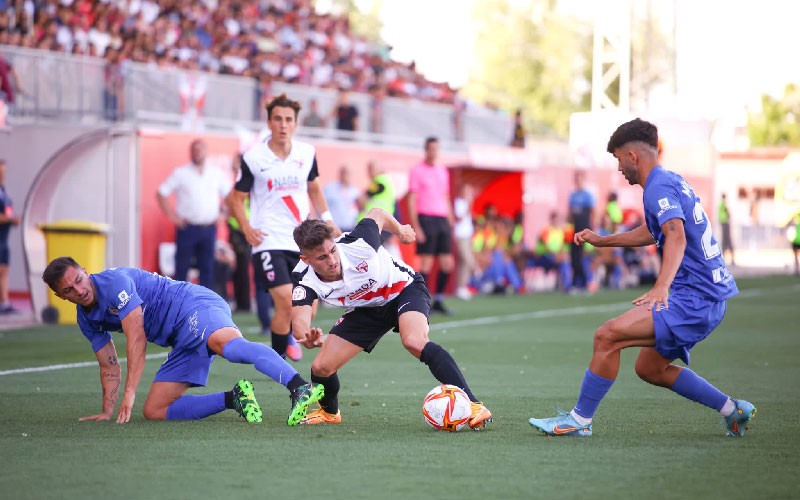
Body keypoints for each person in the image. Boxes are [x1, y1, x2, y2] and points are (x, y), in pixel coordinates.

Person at [528, 118, 755, 438]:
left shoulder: (658, 187)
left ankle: (578, 422)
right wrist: (602, 240)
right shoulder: (669, 180)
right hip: (706, 296)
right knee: (649, 368)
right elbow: (654, 231)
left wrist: (661, 286)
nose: (619, 168)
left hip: (695, 298)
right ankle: (734, 410)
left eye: (619, 159)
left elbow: (675, 236)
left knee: (607, 337)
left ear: (633, 156)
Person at [41, 256, 323, 425]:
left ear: (85, 271)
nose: (79, 290)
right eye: (69, 289)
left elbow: (136, 336)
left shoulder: (114, 283)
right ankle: (235, 398)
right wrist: (106, 409)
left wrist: (129, 392)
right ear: (61, 296)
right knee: (155, 410)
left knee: (228, 347)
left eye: (79, 279)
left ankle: (299, 387)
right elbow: (108, 364)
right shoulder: (85, 318)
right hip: (180, 336)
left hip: (192, 306)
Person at [289, 207, 493, 429]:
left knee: (414, 341)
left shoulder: (359, 243)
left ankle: (473, 404)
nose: (331, 260)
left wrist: (401, 230)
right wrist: (306, 336)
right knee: (321, 367)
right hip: (366, 309)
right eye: (321, 257)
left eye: (332, 251)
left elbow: (377, 213)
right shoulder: (303, 278)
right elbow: (299, 320)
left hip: (405, 290)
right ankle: (329, 412)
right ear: (306, 259)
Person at [227, 93, 341, 363]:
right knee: (287, 301)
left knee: (307, 308)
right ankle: (277, 361)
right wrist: (246, 228)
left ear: (296, 125)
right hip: (268, 240)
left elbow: (314, 187)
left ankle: (288, 339)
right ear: (269, 122)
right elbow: (235, 198)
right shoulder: (254, 158)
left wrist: (326, 216)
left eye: (288, 119)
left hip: (301, 241)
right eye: (277, 118)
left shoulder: (307, 153)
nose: (283, 124)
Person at [157, 139, 230, 291]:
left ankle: (205, 304)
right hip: (187, 228)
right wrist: (173, 217)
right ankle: (179, 303)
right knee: (182, 268)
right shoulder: (181, 173)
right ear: (191, 152)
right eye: (194, 150)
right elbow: (161, 193)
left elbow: (230, 196)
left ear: (206, 152)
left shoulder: (215, 174)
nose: (197, 153)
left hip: (208, 227)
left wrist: (224, 214)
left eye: (200, 149)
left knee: (207, 268)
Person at [407, 136, 455, 314]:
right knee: (426, 264)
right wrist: (416, 226)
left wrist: (450, 221)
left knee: (447, 263)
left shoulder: (443, 171)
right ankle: (423, 302)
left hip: (442, 219)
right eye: (431, 149)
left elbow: (446, 197)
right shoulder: (417, 170)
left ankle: (439, 301)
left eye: (436, 149)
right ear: (426, 150)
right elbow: (412, 199)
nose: (434, 152)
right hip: (426, 218)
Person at [567, 170, 595, 293]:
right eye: (576, 178)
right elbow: (570, 215)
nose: (578, 181)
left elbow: (593, 212)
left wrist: (592, 228)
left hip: (584, 230)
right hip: (575, 230)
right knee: (574, 257)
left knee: (581, 257)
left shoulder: (587, 196)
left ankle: (584, 283)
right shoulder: (572, 196)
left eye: (580, 179)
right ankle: (577, 283)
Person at [0, 159, 20, 314]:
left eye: (4, 172)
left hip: (4, 238)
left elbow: (6, 213)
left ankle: (4, 302)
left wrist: (13, 219)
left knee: (4, 269)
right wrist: (11, 219)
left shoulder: (4, 192)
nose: (2, 175)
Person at [453, 184, 476, 300]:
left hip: (468, 235)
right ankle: (478, 271)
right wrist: (469, 205)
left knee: (464, 263)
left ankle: (462, 286)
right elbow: (459, 218)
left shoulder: (467, 204)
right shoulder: (457, 203)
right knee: (467, 258)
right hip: (460, 235)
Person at [323, 165, 361, 232]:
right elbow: (321, 206)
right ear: (340, 174)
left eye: (349, 174)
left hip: (351, 228)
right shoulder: (329, 189)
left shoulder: (355, 191)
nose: (347, 176)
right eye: (345, 173)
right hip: (334, 228)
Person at [718, 193, 735, 266]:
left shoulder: (720, 204)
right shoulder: (723, 204)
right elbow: (727, 213)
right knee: (727, 241)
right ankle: (730, 259)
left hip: (723, 223)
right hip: (725, 223)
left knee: (724, 242)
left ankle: (724, 259)